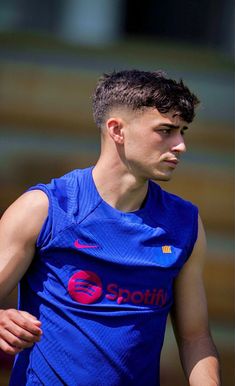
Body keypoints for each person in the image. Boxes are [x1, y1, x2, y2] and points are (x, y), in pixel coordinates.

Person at [0, 70, 220, 386]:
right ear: (117, 130)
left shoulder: (185, 223)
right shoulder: (44, 208)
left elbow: (195, 337)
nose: (181, 145)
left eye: (182, 131)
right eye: (166, 130)